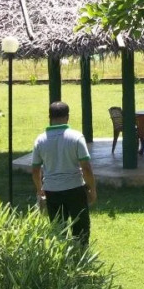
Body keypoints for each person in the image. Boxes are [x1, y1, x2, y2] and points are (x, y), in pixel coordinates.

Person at [31, 101, 97, 246]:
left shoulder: (40, 140)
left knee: (58, 229)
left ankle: (61, 256)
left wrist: (40, 189)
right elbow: (86, 168)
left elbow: (35, 170)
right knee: (81, 228)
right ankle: (80, 254)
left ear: (50, 117)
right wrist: (92, 189)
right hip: (75, 189)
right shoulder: (76, 137)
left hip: (51, 190)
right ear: (67, 117)